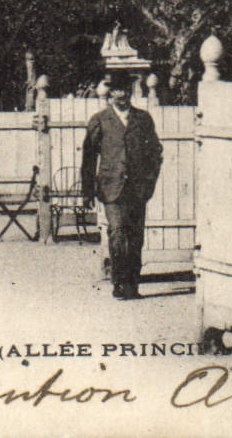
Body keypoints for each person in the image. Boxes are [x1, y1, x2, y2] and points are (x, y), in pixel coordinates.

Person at [80, 74, 163, 300]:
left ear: (130, 92)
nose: (121, 95)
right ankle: (119, 282)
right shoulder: (100, 120)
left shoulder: (143, 119)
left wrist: (149, 182)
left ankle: (132, 284)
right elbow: (89, 157)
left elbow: (156, 153)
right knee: (117, 233)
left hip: (137, 190)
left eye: (125, 90)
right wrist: (87, 191)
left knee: (135, 236)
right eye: (117, 90)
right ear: (110, 93)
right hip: (111, 187)